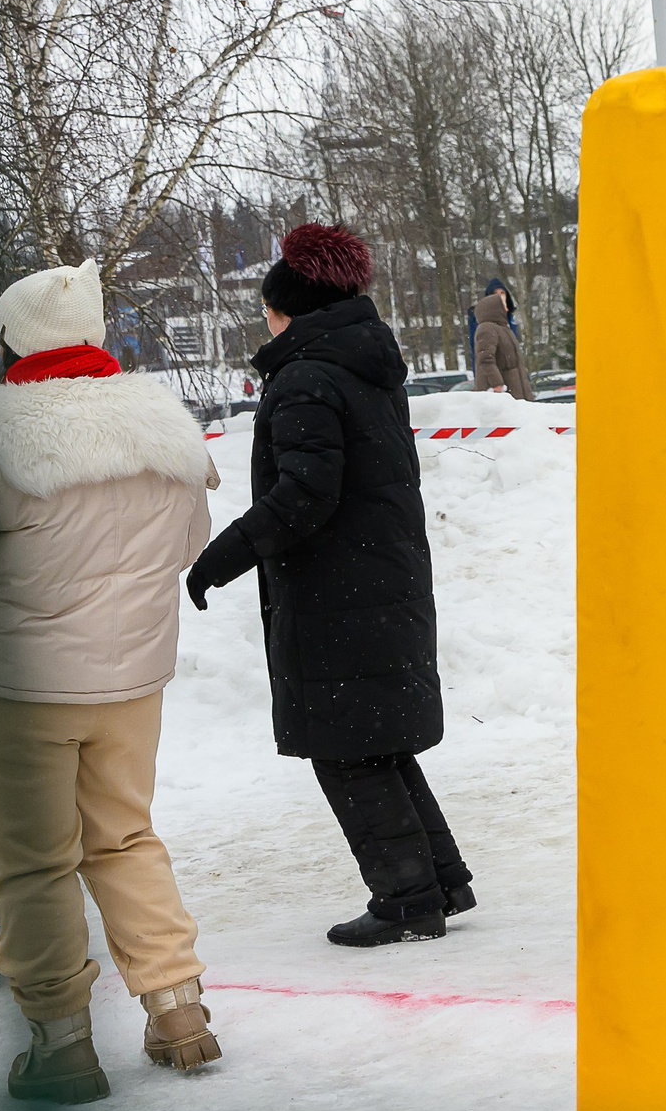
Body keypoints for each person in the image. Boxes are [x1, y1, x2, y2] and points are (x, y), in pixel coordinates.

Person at [0, 259, 221, 1104]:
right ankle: (179, 1008)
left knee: (32, 863)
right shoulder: (164, 430)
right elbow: (185, 543)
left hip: (12, 688)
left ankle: (63, 1042)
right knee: (125, 836)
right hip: (130, 679)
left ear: (9, 341)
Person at [187, 225, 471, 947]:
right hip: (377, 580)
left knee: (346, 746)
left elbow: (305, 496)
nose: (266, 323)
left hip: (338, 594)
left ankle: (408, 898)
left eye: (269, 311)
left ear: (293, 311)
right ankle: (439, 877)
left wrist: (221, 555)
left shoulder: (308, 377)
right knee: (373, 740)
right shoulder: (361, 364)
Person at [473, 281, 533, 400]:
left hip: (516, 395)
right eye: (503, 305)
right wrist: (497, 384)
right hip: (504, 397)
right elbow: (485, 358)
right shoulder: (487, 328)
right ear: (494, 309)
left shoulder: (505, 329)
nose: (506, 309)